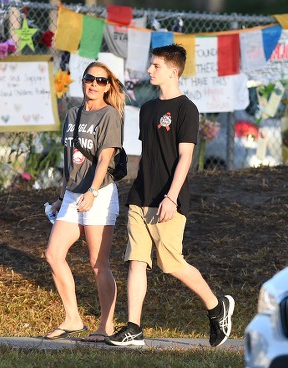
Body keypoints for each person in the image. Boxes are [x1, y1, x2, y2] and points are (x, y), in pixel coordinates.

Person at [104, 44, 235, 348]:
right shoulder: (148, 109)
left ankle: (217, 307)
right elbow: (148, 153)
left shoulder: (186, 109)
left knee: (172, 264)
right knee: (136, 261)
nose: (150, 70)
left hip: (168, 198)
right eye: (150, 65)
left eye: (156, 66)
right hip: (140, 196)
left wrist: (171, 197)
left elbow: (185, 156)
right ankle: (134, 328)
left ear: (173, 71)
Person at [44, 61, 126, 342]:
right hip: (72, 193)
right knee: (53, 254)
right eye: (89, 78)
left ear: (108, 86)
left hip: (99, 193)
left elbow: (105, 157)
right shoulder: (72, 114)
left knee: (97, 262)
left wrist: (91, 192)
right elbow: (71, 162)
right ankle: (72, 318)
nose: (93, 84)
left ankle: (107, 324)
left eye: (101, 81)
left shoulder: (110, 115)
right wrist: (61, 196)